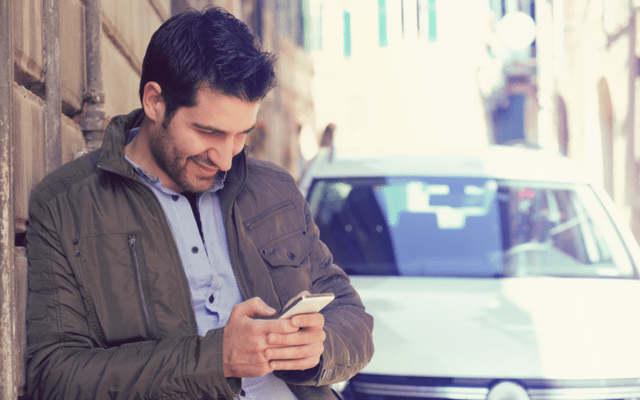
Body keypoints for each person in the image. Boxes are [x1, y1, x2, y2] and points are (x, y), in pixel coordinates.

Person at [25, 7, 373, 399]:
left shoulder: (275, 189)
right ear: (155, 102)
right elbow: (53, 376)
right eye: (208, 132)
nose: (225, 159)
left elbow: (353, 318)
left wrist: (317, 348)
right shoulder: (67, 204)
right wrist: (217, 359)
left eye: (242, 134)